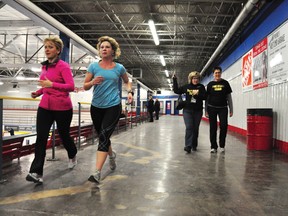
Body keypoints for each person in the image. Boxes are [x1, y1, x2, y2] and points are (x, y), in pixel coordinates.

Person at [26, 36, 78, 184]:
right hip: (45, 107)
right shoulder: (44, 66)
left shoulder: (63, 66)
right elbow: (46, 85)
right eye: (46, 47)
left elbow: (70, 86)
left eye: (50, 47)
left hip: (62, 107)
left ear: (58, 50)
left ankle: (72, 153)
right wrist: (39, 92)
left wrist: (51, 84)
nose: (47, 50)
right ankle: (36, 173)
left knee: (64, 136)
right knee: (41, 138)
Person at [83, 36, 133, 184]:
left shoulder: (119, 68)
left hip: (113, 105)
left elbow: (127, 81)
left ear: (113, 51)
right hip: (96, 106)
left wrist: (129, 92)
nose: (104, 49)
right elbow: (85, 85)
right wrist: (92, 82)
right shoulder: (93, 67)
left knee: (104, 136)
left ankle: (97, 172)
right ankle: (111, 155)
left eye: (107, 47)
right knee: (103, 136)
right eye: (101, 47)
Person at [173, 71, 206, 153]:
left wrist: (197, 95)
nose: (195, 80)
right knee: (189, 127)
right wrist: (174, 79)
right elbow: (176, 90)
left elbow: (205, 96)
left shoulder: (201, 87)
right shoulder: (186, 87)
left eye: (197, 78)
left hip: (198, 111)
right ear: (191, 79)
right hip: (187, 110)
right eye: (194, 78)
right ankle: (188, 145)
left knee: (195, 128)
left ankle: (194, 144)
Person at [205, 66, 233, 153]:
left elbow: (229, 97)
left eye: (219, 72)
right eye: (216, 73)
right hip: (211, 108)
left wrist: (231, 109)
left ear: (221, 73)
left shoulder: (226, 83)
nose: (217, 74)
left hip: (223, 108)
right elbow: (207, 99)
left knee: (224, 126)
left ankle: (222, 145)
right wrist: (205, 110)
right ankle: (213, 147)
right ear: (213, 74)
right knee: (213, 127)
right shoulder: (210, 85)